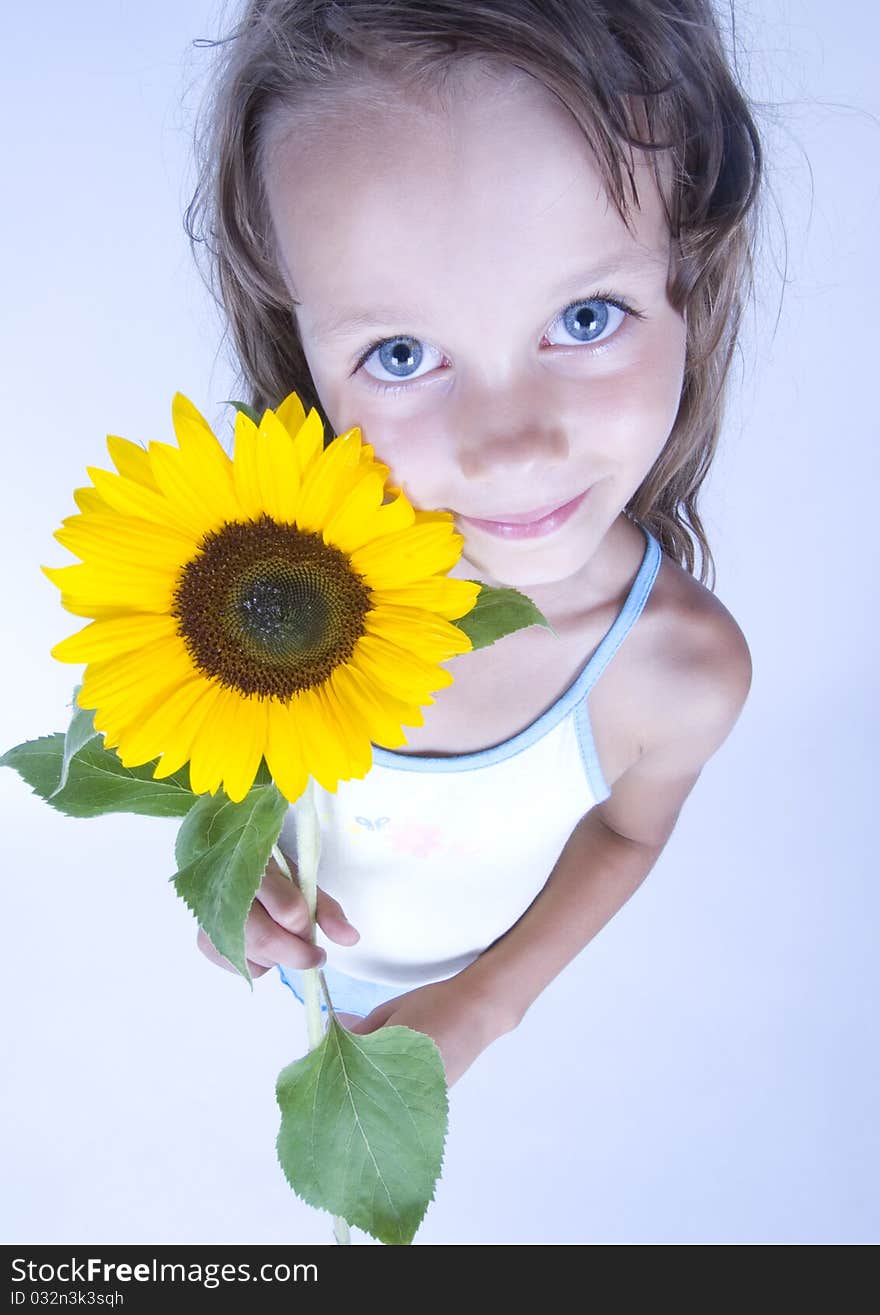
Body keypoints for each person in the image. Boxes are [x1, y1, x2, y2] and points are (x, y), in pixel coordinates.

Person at [189, 0, 762, 1087]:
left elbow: (626, 838)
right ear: (296, 340)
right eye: (402, 352)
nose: (506, 449)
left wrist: (484, 1007)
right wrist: (229, 885)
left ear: (692, 273)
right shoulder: (248, 596)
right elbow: (228, 773)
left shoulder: (676, 673)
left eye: (585, 318)